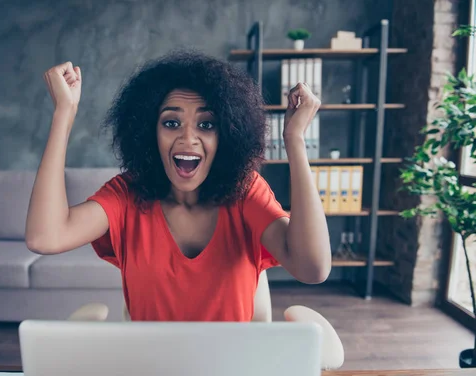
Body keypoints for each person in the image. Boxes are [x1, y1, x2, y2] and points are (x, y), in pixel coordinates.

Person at [25, 51, 331, 322]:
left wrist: (295, 140)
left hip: (230, 374)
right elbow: (44, 237)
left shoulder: (245, 191)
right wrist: (63, 113)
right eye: (171, 123)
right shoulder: (126, 195)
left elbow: (313, 268)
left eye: (206, 124)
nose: (188, 138)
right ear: (148, 132)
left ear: (227, 134)